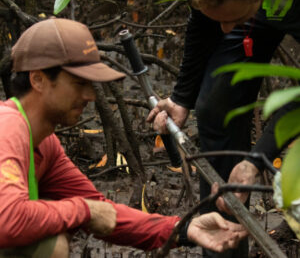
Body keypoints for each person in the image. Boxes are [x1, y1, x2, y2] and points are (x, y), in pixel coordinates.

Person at [0, 18, 248, 257]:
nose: (90, 95)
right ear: (38, 79)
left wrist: (184, 229)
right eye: (78, 83)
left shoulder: (45, 142)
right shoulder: (7, 127)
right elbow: (8, 219)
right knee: (51, 245)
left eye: (90, 84)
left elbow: (103, 213)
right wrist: (84, 211)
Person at [148, 0, 300, 257]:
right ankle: (222, 246)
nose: (224, 28)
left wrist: (257, 160)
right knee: (217, 105)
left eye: (231, 19)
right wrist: (182, 98)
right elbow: (204, 19)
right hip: (253, 11)